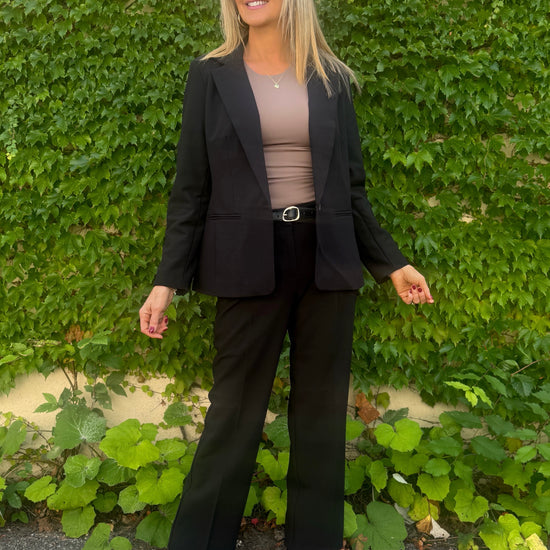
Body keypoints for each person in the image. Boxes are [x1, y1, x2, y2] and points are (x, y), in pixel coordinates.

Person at [139, 0, 434, 548]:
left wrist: (391, 263)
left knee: (321, 422)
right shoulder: (210, 75)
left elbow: (351, 188)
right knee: (233, 416)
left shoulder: (330, 77)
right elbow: (191, 187)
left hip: (327, 257)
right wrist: (166, 281)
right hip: (244, 261)